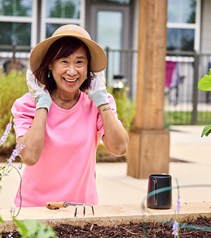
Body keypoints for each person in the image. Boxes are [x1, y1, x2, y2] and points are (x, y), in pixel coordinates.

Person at [11, 24, 129, 207]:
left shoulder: (98, 104)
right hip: (33, 210)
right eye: (64, 61)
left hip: (81, 211)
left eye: (80, 62)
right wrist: (42, 104)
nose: (72, 71)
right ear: (51, 64)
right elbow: (29, 156)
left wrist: (101, 101)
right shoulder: (27, 104)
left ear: (89, 67)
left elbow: (119, 147)